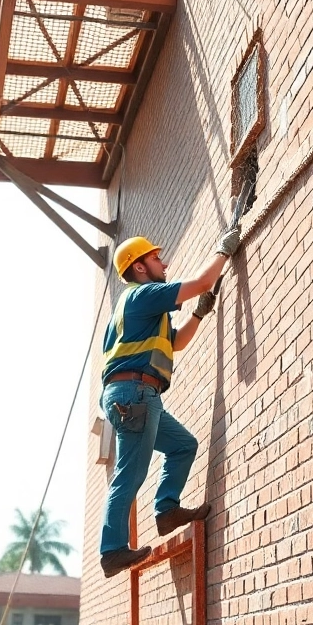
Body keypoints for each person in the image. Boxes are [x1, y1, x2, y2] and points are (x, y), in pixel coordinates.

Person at [96, 225, 240, 578]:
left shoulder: (140, 309)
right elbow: (203, 281)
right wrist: (223, 251)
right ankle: (112, 550)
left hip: (135, 396)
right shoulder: (141, 295)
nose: (164, 263)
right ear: (140, 267)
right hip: (136, 394)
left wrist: (199, 314)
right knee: (130, 473)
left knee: (182, 446)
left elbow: (175, 344)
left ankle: (166, 510)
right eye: (156, 258)